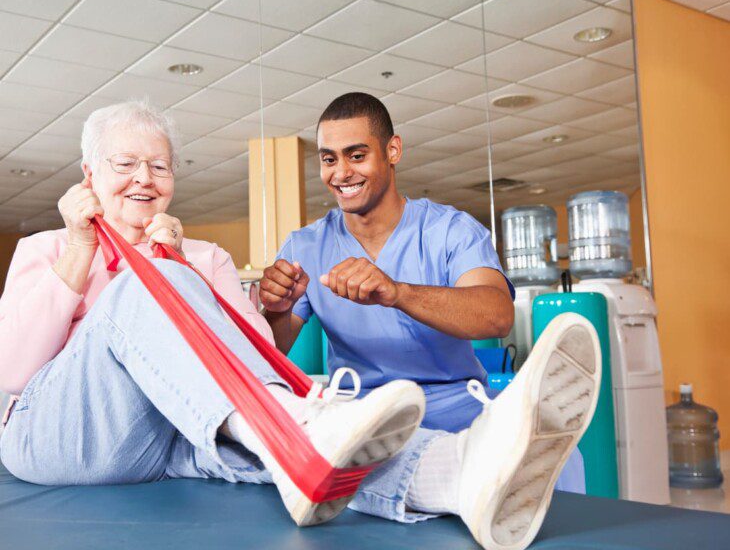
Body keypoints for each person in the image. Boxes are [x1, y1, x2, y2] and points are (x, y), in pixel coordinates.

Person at [0, 99, 601, 550]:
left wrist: (178, 265)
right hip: (60, 436)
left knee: (298, 445)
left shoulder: (202, 257)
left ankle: (456, 476)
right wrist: (82, 251)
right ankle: (299, 432)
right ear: (88, 173)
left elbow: (256, 362)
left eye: (158, 166)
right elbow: (12, 372)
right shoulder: (46, 247)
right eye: (125, 163)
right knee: (149, 290)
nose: (143, 178)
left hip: (167, 439)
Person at [260, 92, 585, 492]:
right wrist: (275, 310)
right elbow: (268, 353)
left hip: (453, 408)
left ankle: (528, 411)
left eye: (356, 155)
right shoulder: (304, 246)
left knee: (562, 463)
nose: (341, 172)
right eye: (329, 159)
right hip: (360, 415)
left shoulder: (451, 230)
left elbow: (497, 315)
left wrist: (396, 292)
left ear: (392, 150)